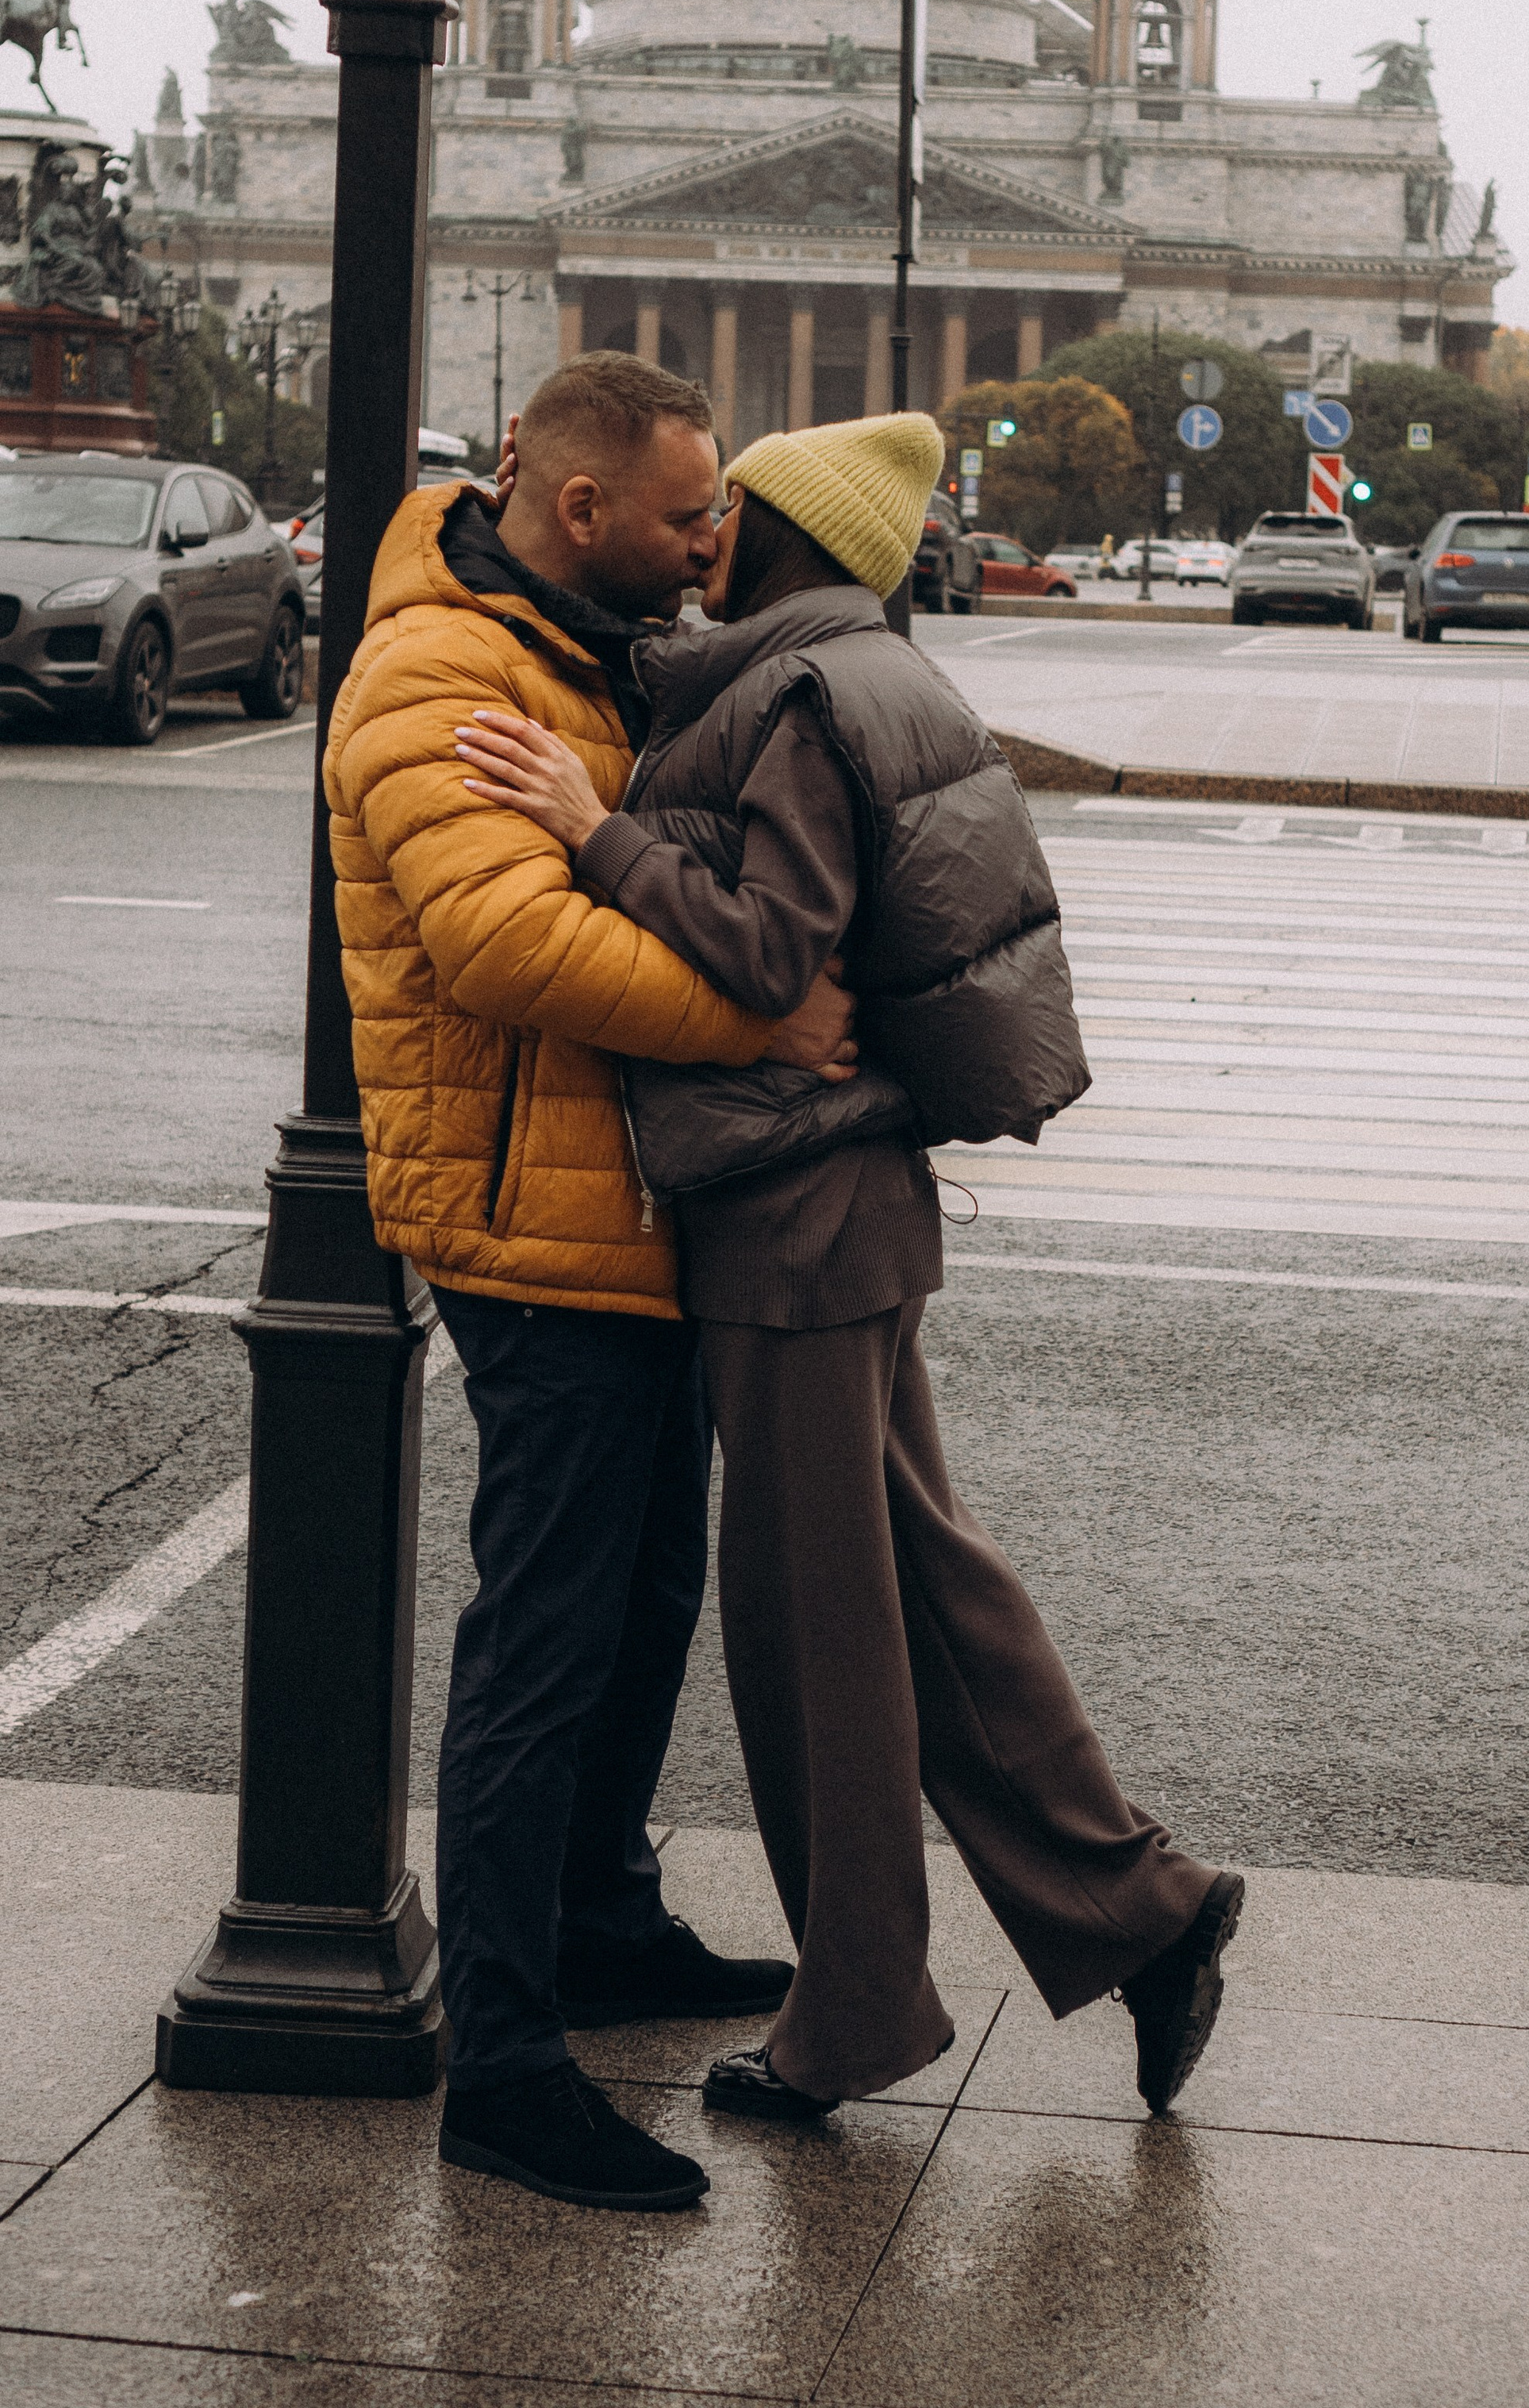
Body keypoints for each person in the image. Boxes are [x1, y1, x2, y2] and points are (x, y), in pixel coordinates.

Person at [455, 410, 1243, 2125]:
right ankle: (1141, 1908)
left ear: (792, 534)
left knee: (816, 1636)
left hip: (791, 1214)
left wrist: (596, 828)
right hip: (837, 1210)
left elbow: (763, 955)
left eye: (728, 507)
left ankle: (856, 2010)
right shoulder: (848, 671)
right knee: (922, 1595)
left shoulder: (802, 697)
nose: (705, 526)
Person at [321, 354, 862, 2216]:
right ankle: (511, 2062)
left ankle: (601, 1920)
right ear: (576, 512)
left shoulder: (583, 644)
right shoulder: (437, 671)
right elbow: (503, 944)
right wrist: (764, 1017)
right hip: (529, 1221)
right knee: (543, 1639)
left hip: (623, 1209)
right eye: (687, 513)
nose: (715, 538)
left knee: (641, 1598)